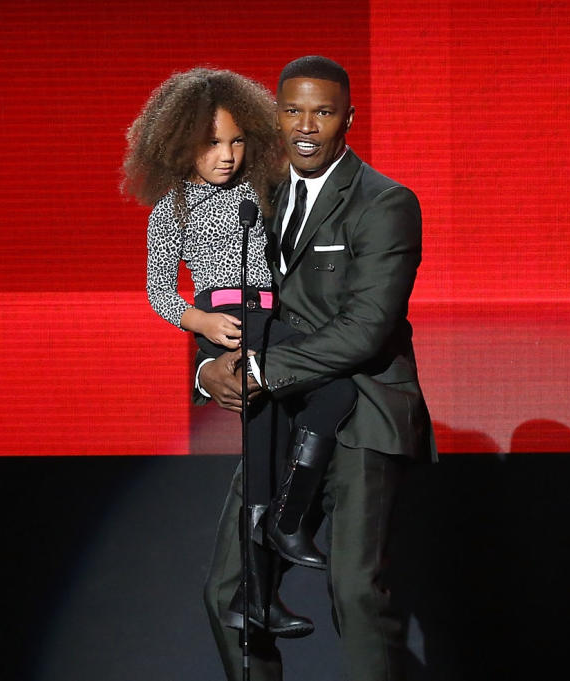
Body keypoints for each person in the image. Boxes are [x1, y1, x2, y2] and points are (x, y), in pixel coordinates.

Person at [199, 56, 436, 681]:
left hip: (361, 414)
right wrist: (208, 368)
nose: (306, 126)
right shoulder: (252, 194)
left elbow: (366, 329)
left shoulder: (385, 204)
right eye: (293, 110)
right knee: (231, 596)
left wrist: (261, 367)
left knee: (355, 593)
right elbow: (222, 290)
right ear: (275, 115)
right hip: (278, 416)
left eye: (323, 112)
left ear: (348, 119)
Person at [122, 68, 359, 637]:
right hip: (225, 320)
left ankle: (255, 595)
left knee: (267, 451)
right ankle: (289, 520)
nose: (225, 155)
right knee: (334, 386)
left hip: (272, 315)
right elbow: (159, 288)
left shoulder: (263, 192)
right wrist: (198, 319)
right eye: (210, 143)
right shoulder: (173, 207)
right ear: (179, 143)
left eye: (235, 140)